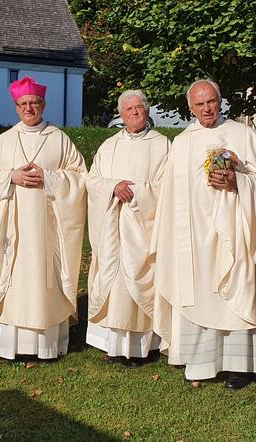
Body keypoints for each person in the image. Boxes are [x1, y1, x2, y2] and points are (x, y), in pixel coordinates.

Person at [151, 80, 256, 388]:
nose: (206, 109)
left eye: (211, 102)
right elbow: (169, 194)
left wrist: (238, 183)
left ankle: (238, 367)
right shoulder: (181, 143)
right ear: (190, 108)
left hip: (234, 231)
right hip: (192, 235)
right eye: (199, 104)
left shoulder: (243, 135)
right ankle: (200, 360)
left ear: (221, 101)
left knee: (236, 289)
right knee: (199, 291)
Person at [0, 76, 87, 360]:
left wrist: (49, 178)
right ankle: (11, 346)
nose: (29, 108)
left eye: (34, 103)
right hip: (13, 228)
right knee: (15, 280)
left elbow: (79, 177)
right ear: (16, 107)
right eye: (23, 104)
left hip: (47, 228)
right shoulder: (4, 141)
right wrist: (10, 176)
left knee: (44, 278)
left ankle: (47, 346)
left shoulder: (59, 138)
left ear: (43, 104)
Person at [85, 90, 169, 364]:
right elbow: (92, 181)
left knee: (142, 278)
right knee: (115, 282)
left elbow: (166, 187)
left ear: (147, 111)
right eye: (128, 109)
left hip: (142, 228)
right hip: (113, 228)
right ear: (121, 115)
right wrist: (114, 187)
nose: (134, 112)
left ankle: (143, 346)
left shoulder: (163, 145)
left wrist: (138, 193)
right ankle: (114, 346)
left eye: (139, 108)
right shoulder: (109, 146)